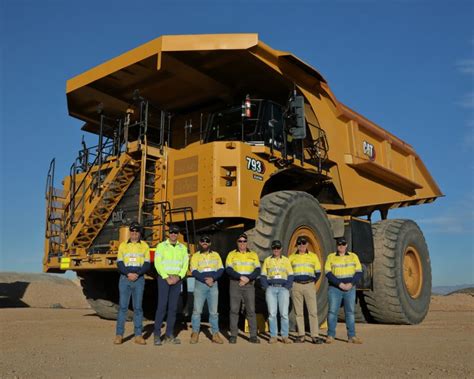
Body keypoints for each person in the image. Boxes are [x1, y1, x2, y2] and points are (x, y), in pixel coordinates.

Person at [114, 222, 150, 345]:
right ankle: (119, 335)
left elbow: (147, 264)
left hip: (139, 279)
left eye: (137, 232)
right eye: (132, 232)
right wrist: (128, 274)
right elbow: (119, 263)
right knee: (123, 308)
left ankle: (138, 336)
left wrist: (137, 274)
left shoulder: (145, 246)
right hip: (125, 278)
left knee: (138, 308)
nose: (134, 234)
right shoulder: (123, 246)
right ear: (130, 232)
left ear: (140, 233)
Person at [153, 224, 189, 346]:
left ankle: (169, 334)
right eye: (172, 232)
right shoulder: (161, 246)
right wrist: (166, 277)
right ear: (169, 234)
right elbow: (158, 263)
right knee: (162, 306)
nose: (173, 234)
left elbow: (185, 264)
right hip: (164, 279)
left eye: (176, 232)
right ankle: (157, 335)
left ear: (178, 234)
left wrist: (179, 277)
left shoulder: (182, 248)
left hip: (177, 279)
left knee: (173, 308)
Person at [325, 237, 363, 344]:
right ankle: (330, 336)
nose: (341, 246)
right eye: (339, 244)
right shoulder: (331, 257)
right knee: (332, 312)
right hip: (335, 288)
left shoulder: (353, 256)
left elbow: (359, 272)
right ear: (336, 245)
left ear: (346, 245)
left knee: (350, 312)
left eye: (343, 244)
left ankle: (352, 336)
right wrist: (340, 284)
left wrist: (351, 284)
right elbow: (328, 272)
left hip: (350, 288)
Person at [225, 233, 261, 344]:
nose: (242, 243)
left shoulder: (254, 255)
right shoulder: (231, 254)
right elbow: (229, 269)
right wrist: (240, 277)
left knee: (250, 310)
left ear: (247, 242)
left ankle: (253, 336)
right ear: (237, 242)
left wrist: (248, 278)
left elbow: (257, 270)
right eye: (240, 241)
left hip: (249, 284)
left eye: (244, 241)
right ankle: (233, 335)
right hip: (235, 284)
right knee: (234, 310)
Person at [289, 235, 325, 344]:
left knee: (312, 311)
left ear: (307, 244)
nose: (301, 245)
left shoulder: (313, 256)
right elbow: (288, 273)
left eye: (303, 243)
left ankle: (315, 335)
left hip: (309, 285)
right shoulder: (291, 257)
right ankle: (301, 335)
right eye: (299, 243)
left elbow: (318, 272)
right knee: (298, 312)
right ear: (297, 245)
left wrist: (312, 281)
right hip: (296, 286)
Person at [189, 235, 224, 344]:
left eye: (207, 241)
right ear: (199, 243)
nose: (205, 242)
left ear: (210, 243)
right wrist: (206, 280)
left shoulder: (216, 255)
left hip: (213, 284)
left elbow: (221, 269)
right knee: (197, 311)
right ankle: (195, 333)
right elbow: (194, 270)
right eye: (202, 241)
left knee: (214, 312)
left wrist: (213, 278)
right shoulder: (195, 256)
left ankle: (215, 334)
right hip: (200, 284)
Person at [260, 240, 294, 344]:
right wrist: (267, 287)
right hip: (271, 289)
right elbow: (263, 276)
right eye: (274, 248)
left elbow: (291, 275)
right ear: (272, 249)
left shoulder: (286, 260)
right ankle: (273, 336)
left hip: (283, 289)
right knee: (272, 314)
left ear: (281, 249)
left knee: (284, 314)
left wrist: (286, 287)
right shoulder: (267, 260)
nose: (276, 250)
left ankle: (285, 336)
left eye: (278, 248)